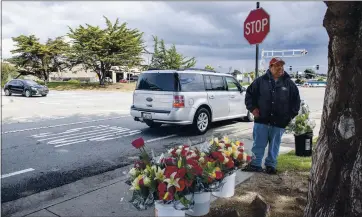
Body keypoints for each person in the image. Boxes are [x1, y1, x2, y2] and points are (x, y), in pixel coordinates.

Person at [243, 57, 301, 174]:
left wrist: (289, 117)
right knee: (258, 144)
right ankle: (255, 164)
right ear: (271, 67)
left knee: (274, 145)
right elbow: (249, 95)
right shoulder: (260, 81)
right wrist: (253, 109)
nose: (280, 68)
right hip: (262, 120)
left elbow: (296, 102)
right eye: (277, 65)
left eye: (281, 65)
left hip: (279, 122)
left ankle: (270, 165)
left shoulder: (289, 83)